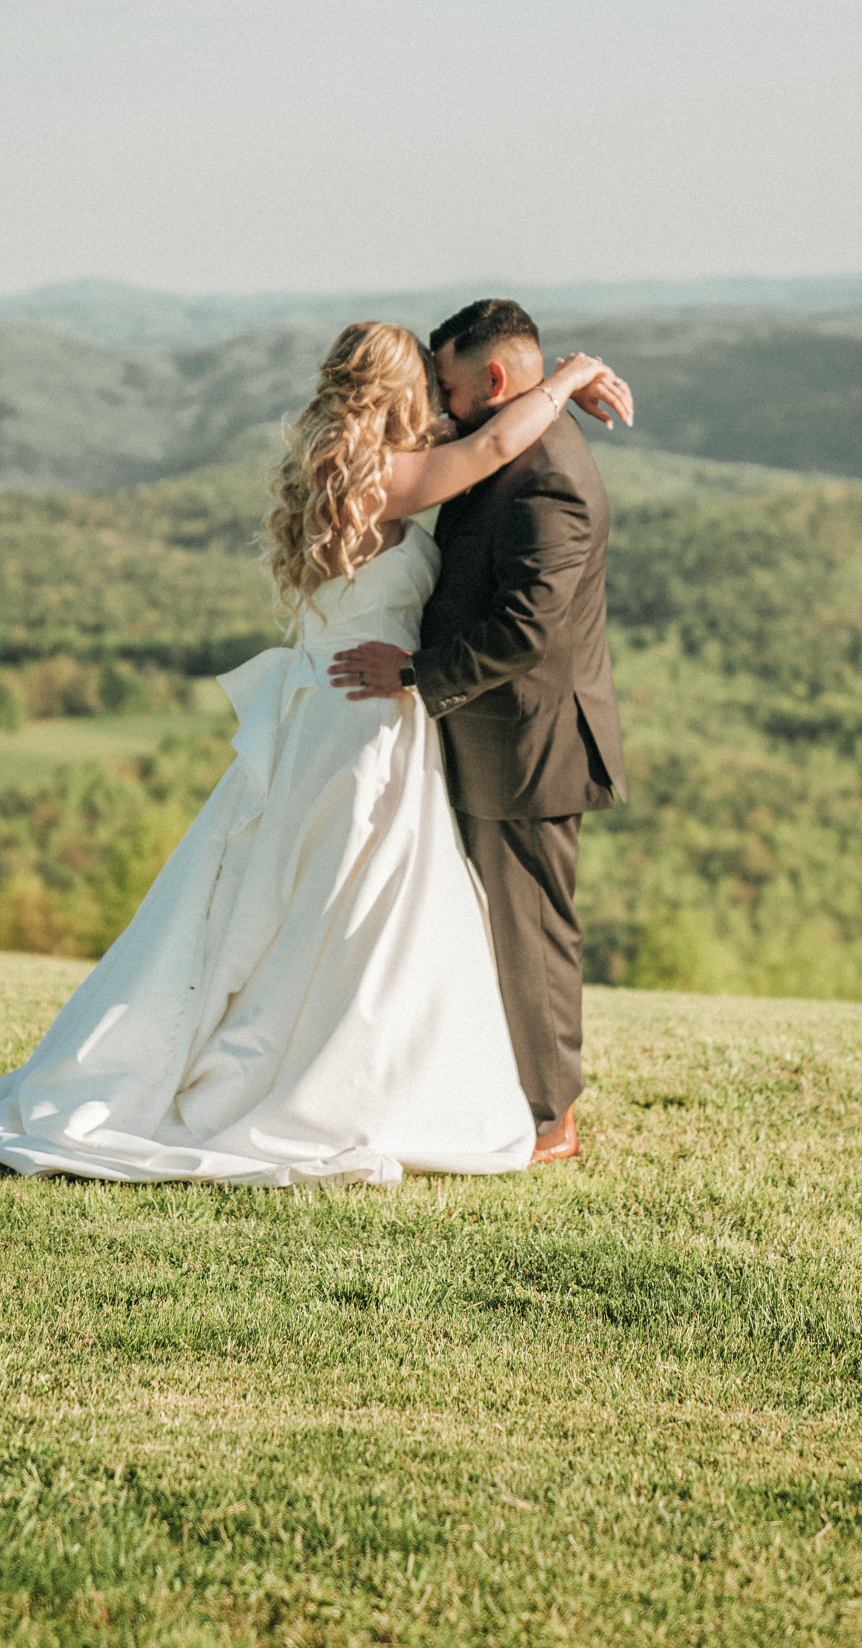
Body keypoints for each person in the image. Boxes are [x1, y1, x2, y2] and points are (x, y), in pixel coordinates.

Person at [0, 321, 632, 1189]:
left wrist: (536, 391)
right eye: (430, 386)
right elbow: (489, 444)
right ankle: (331, 1085)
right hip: (372, 708)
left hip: (329, 707)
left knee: (310, 899)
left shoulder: (338, 471)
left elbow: (470, 436)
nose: (443, 404)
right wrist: (568, 379)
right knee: (355, 906)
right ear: (402, 389)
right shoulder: (397, 477)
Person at [327, 299, 627, 1165]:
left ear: (495, 380)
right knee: (494, 926)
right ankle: (506, 1093)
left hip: (528, 745)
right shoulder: (509, 445)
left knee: (531, 932)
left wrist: (415, 675)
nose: (442, 408)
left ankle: (550, 1120)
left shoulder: (549, 479)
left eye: (451, 388)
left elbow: (527, 626)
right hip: (488, 733)